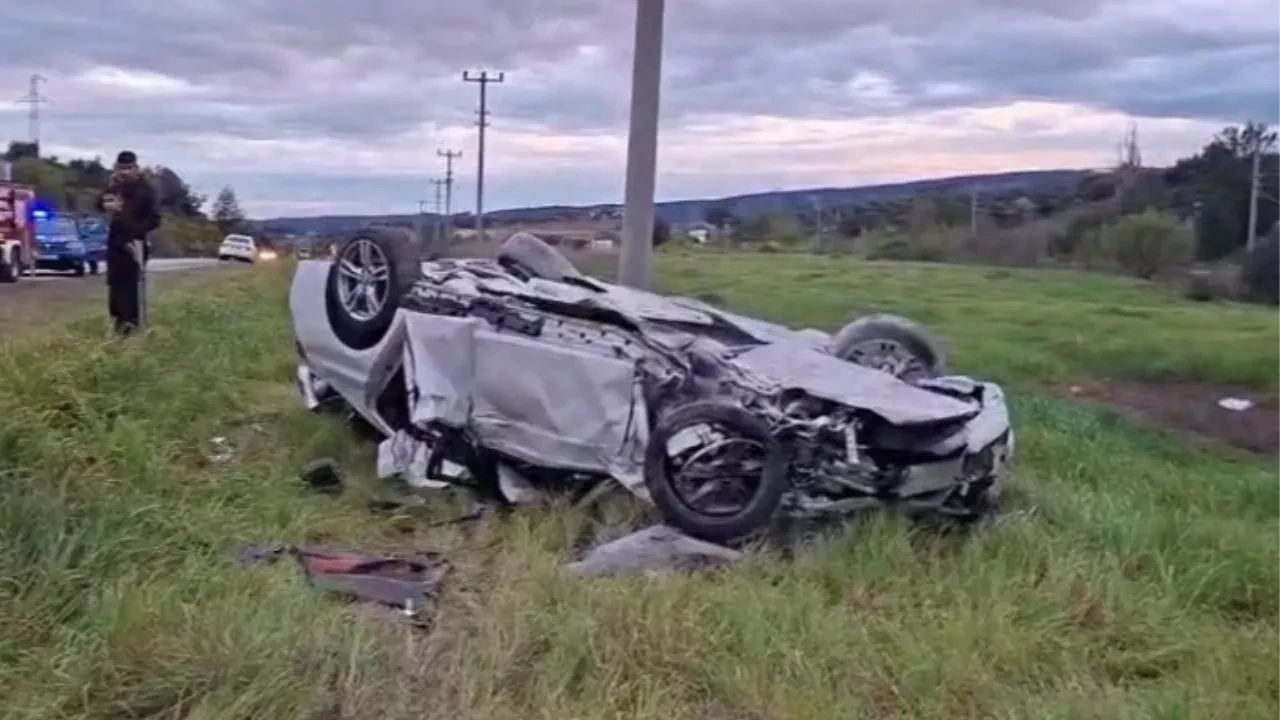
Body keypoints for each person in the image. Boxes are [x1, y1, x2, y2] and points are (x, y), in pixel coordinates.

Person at [97, 150, 159, 336]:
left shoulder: (145, 190)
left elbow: (155, 219)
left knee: (131, 287)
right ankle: (117, 326)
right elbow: (99, 203)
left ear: (136, 168)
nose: (124, 172)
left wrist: (136, 232)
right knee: (115, 286)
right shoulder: (114, 187)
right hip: (115, 242)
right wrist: (105, 204)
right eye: (120, 168)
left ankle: (131, 326)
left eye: (128, 168)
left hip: (135, 242)